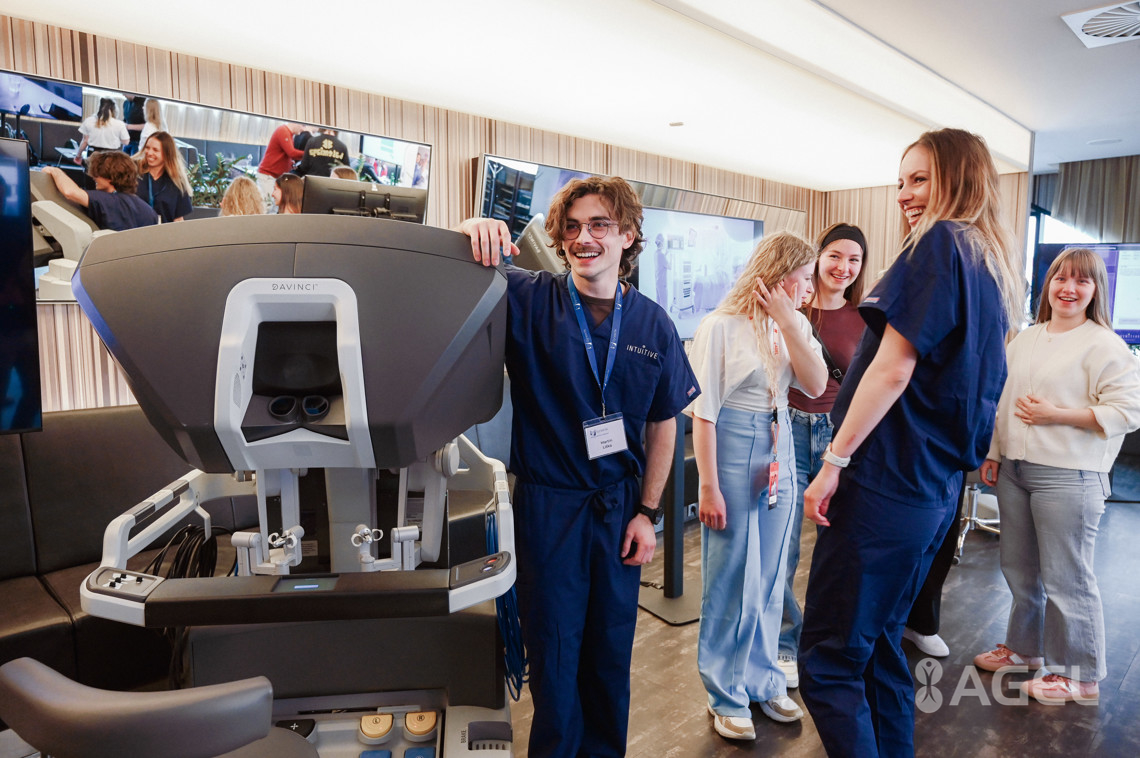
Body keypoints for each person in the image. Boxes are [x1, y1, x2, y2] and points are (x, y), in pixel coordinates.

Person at [798, 127, 1023, 758]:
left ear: (959, 179)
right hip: (931, 492)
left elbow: (892, 370)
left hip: (886, 483)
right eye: (901, 181)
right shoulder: (989, 263)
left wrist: (833, 462)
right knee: (878, 649)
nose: (904, 194)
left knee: (829, 662)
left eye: (920, 179)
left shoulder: (940, 244)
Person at [460, 176, 699, 758]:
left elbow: (663, 423)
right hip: (550, 508)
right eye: (571, 227)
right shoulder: (528, 296)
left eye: (599, 225)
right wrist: (471, 228)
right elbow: (454, 267)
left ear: (628, 235)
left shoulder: (653, 325)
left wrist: (647, 512)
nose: (583, 238)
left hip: (618, 509)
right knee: (555, 652)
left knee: (609, 653)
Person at [975, 247, 1140, 703]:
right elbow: (1002, 399)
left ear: (1096, 290)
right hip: (1015, 469)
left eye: (1081, 281)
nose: (1069, 288)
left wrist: (1058, 415)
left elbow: (1129, 411)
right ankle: (1024, 649)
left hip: (1070, 475)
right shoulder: (1026, 338)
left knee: (1068, 578)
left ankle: (1080, 676)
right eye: (1061, 279)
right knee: (1019, 568)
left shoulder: (1105, 344)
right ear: (1048, 285)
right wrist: (994, 452)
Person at [686, 231, 827, 740]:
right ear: (779, 274)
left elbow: (815, 385)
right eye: (804, 278)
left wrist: (788, 320)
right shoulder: (720, 326)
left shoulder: (796, 324)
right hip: (731, 443)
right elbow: (703, 414)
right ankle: (724, 692)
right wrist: (707, 486)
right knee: (730, 577)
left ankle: (763, 679)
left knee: (771, 575)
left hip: (779, 441)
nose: (809, 289)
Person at [777, 223, 867, 687]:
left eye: (853, 260)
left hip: (839, 438)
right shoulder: (789, 305)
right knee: (783, 546)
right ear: (817, 258)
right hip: (788, 431)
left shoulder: (867, 318)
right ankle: (784, 643)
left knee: (839, 549)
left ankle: (828, 641)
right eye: (834, 256)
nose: (843, 268)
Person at [41, 152, 158, 231]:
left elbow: (70, 192)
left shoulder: (106, 200)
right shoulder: (148, 211)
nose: (94, 177)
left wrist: (55, 171)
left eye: (97, 174)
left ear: (110, 177)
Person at [137, 131, 192, 223]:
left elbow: (178, 219)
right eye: (147, 148)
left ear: (167, 154)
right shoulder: (134, 173)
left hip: (163, 230)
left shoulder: (177, 182)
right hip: (134, 229)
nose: (149, 153)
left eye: (155, 150)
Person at [256, 122, 305, 210]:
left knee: (274, 207)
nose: (303, 129)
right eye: (302, 125)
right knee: (268, 206)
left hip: (273, 177)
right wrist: (308, 153)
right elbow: (291, 153)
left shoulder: (288, 134)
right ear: (295, 123)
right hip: (268, 176)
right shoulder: (283, 131)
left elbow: (283, 154)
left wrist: (290, 164)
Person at [75, 97, 128, 164]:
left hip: (93, 156)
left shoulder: (89, 121)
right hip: (112, 159)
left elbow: (85, 141)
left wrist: (78, 155)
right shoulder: (120, 124)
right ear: (114, 110)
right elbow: (126, 142)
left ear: (99, 108)